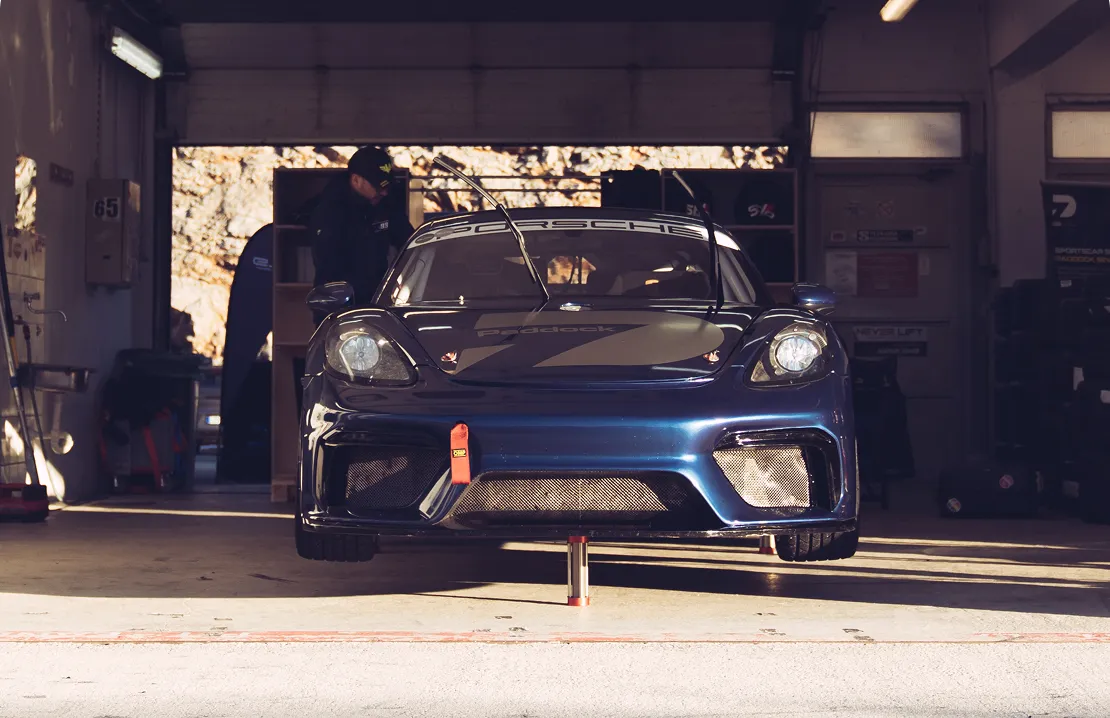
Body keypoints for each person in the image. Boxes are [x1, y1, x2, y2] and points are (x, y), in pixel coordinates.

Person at [308, 146, 415, 322]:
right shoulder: (329, 212)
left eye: (386, 185)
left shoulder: (385, 203)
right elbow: (329, 267)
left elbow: (408, 243)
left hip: (377, 304)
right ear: (356, 180)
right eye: (378, 185)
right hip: (337, 309)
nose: (384, 191)